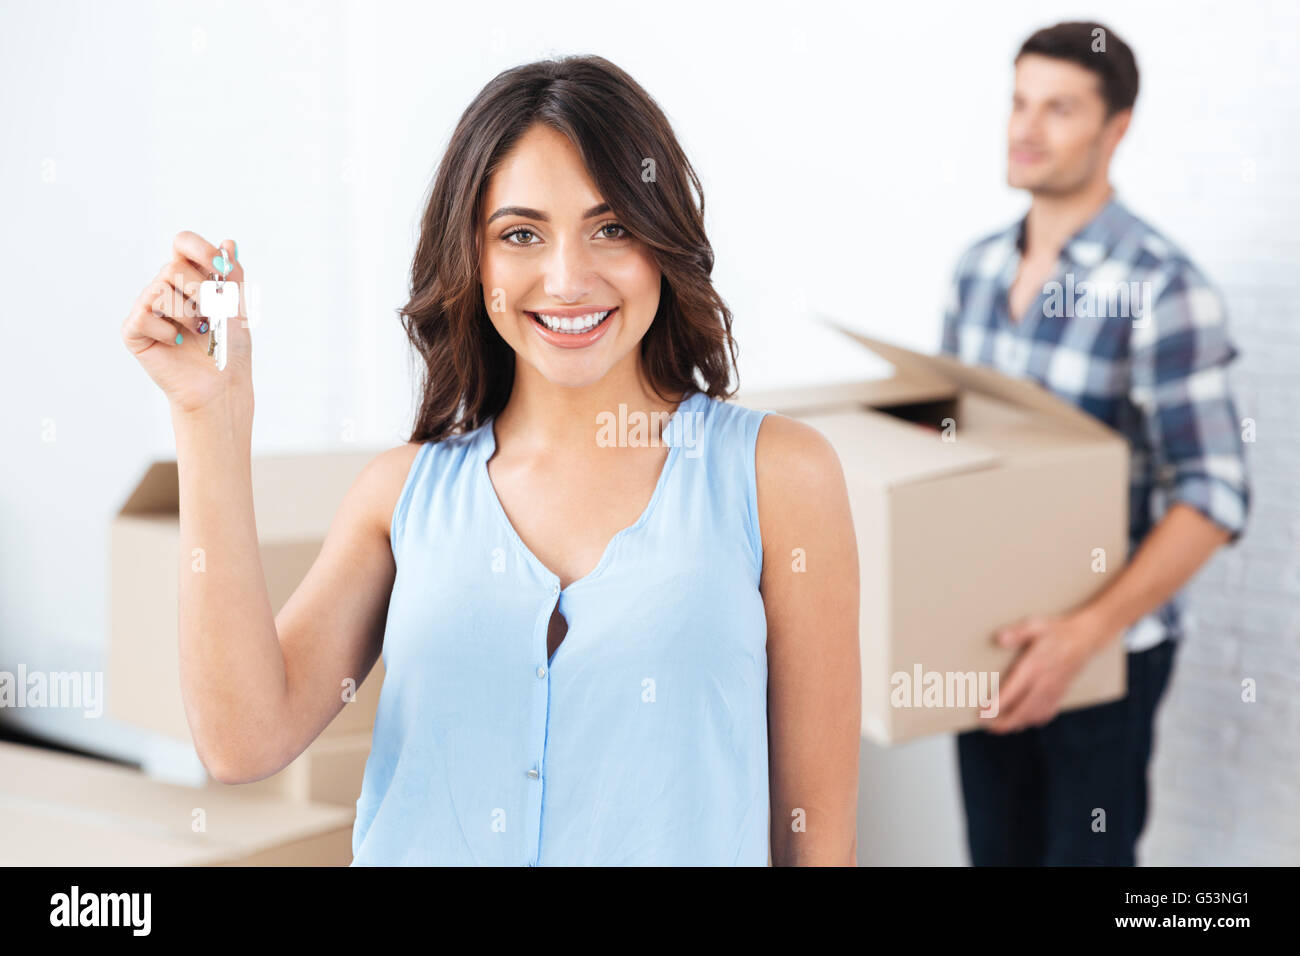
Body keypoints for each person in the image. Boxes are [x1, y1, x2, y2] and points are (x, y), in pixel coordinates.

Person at [120, 55, 860, 866]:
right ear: (472, 259)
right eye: (520, 234)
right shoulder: (400, 496)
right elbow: (242, 741)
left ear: (662, 242)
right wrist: (210, 416)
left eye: (611, 228)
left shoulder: (778, 478)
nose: (568, 278)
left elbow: (817, 839)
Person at [941, 22, 1251, 865]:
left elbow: (1214, 493)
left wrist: (1083, 632)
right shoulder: (975, 271)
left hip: (1106, 653)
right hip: (988, 636)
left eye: (1060, 109)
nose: (1025, 128)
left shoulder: (1160, 287)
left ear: (1116, 129)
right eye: (1019, 102)